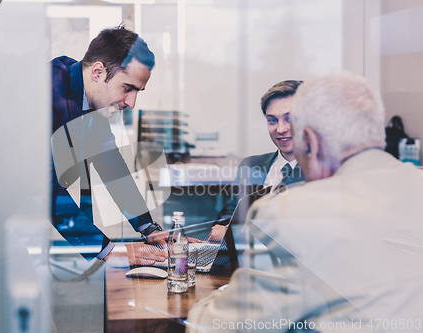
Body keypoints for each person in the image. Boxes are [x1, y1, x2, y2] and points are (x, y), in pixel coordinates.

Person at [187, 71, 423, 332]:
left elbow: (216, 327)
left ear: (308, 140)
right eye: (272, 120)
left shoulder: (289, 215)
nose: (281, 129)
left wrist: (220, 299)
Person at [50, 26, 166, 261]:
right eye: (127, 88)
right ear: (98, 71)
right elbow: (45, 188)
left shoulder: (94, 101)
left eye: (138, 92)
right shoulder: (50, 91)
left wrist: (148, 228)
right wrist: (109, 252)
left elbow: (112, 166)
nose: (132, 103)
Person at [209, 80, 305, 241]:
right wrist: (224, 225)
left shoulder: (323, 171)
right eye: (272, 120)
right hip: (245, 261)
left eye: (289, 119)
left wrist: (236, 234)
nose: (280, 129)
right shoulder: (251, 165)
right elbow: (230, 213)